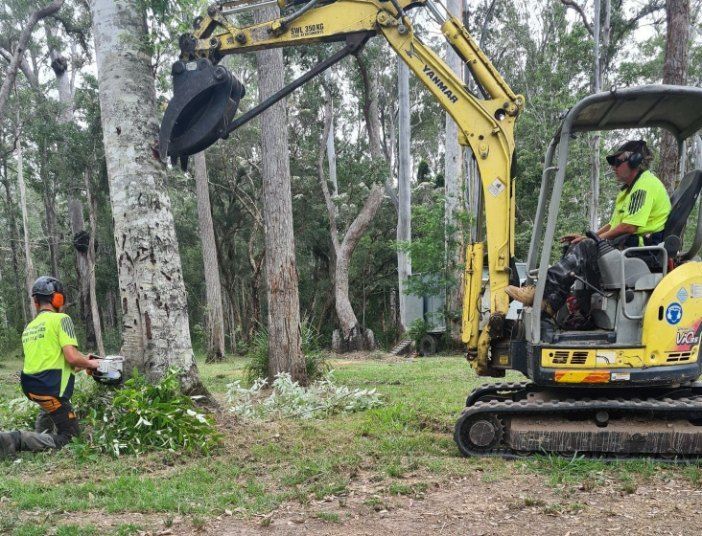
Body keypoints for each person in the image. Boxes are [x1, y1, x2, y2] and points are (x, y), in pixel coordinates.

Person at [505, 139, 672, 317]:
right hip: (628, 248)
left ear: (634, 161)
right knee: (577, 245)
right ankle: (551, 304)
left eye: (617, 162)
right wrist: (588, 237)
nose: (613, 167)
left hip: (640, 253)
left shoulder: (644, 186)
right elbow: (614, 225)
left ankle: (538, 292)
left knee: (586, 248)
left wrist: (592, 241)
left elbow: (629, 227)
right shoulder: (627, 191)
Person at [0, 276, 99, 459]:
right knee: (70, 438)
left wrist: (83, 361)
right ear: (58, 299)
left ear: (36, 302)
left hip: (32, 386)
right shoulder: (62, 319)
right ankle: (16, 439)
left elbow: (57, 363)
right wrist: (93, 363)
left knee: (48, 406)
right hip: (50, 389)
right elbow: (71, 357)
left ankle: (37, 439)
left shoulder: (30, 327)